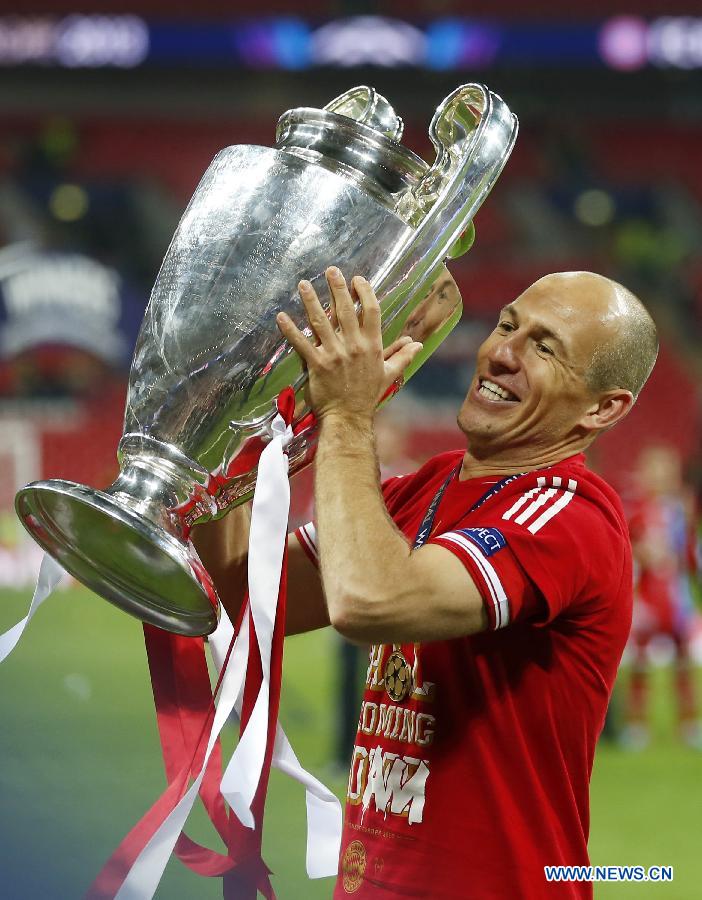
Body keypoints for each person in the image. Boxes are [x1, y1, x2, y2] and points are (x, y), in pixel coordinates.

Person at [195, 266, 658, 899]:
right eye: (507, 325)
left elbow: (371, 602)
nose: (500, 354)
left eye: (544, 347)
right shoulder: (431, 486)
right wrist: (234, 427)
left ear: (604, 407)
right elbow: (243, 593)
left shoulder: (568, 514)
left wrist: (347, 414)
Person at [623, 444, 700, 749]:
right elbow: (625, 547)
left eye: (666, 471)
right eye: (654, 470)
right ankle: (636, 725)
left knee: (683, 662)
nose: (660, 476)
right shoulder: (635, 508)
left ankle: (690, 723)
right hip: (647, 597)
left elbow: (689, 552)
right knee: (640, 661)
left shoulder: (680, 509)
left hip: (676, 598)